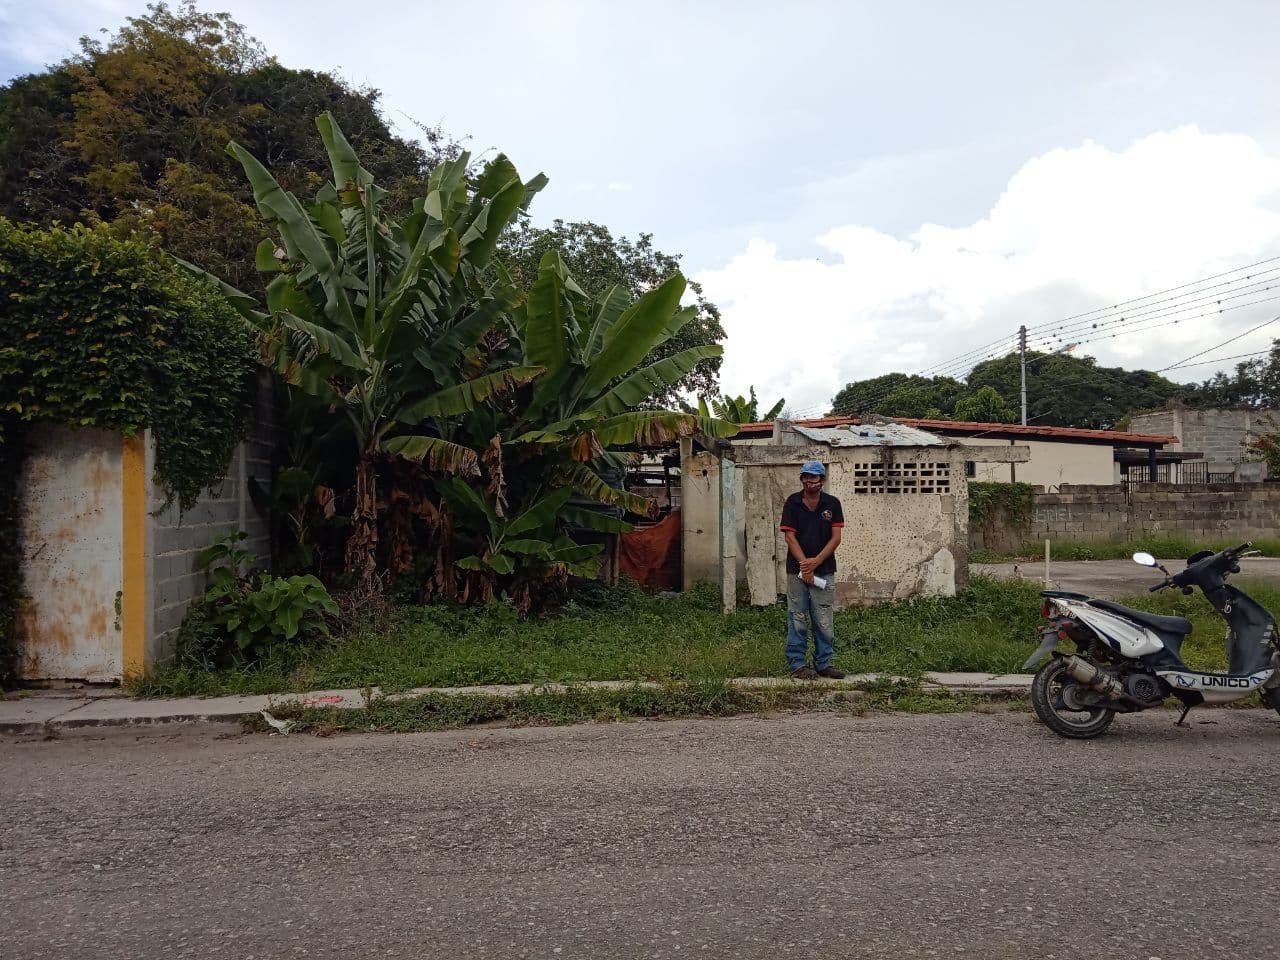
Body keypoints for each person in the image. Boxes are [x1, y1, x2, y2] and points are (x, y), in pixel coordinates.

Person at [779, 460, 846, 680]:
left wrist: (815, 563)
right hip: (796, 571)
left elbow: (835, 538)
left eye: (814, 477)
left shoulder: (832, 504)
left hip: (824, 569)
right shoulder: (792, 502)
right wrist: (804, 565)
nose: (809, 480)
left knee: (823, 618)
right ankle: (797, 665)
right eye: (805, 476)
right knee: (797, 617)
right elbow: (790, 537)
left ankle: (823, 663)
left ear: (822, 480)